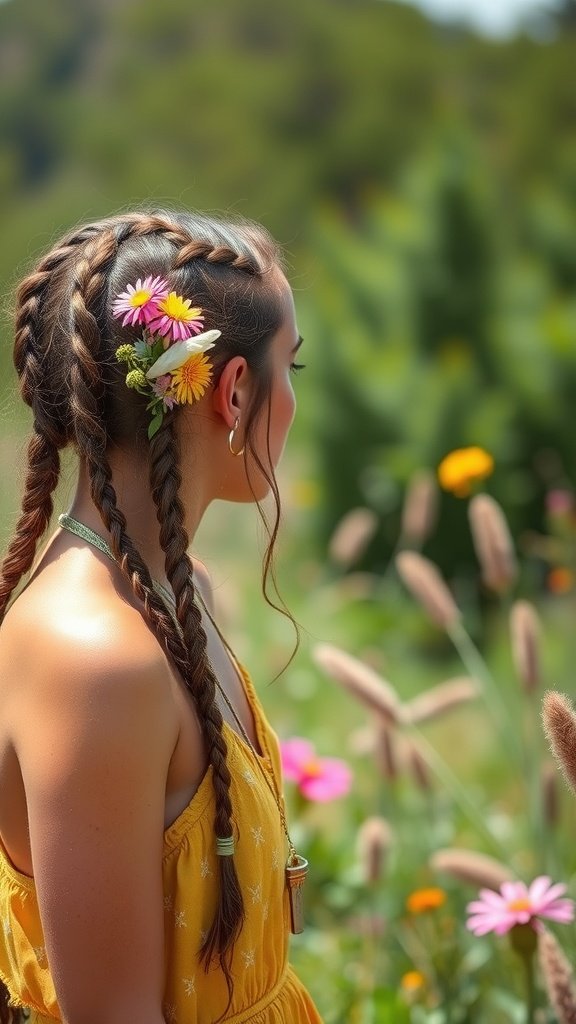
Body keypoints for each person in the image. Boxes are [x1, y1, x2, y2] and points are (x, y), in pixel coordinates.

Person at [0, 210, 323, 1024]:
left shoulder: (181, 595)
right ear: (236, 391)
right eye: (294, 366)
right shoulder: (97, 664)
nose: (295, 397)